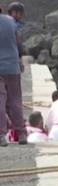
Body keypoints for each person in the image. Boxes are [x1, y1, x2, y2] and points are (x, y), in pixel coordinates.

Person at [0, 11, 27, 146]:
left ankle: (1, 136)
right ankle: (21, 134)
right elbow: (19, 43)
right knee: (15, 100)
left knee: (0, 100)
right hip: (12, 66)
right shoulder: (11, 21)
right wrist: (19, 60)